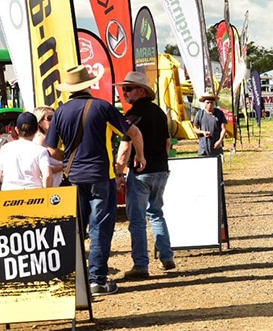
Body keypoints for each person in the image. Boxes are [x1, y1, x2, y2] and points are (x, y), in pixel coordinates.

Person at [45, 65, 146, 296]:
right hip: (101, 176)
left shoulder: (60, 112)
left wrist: (69, 159)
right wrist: (139, 156)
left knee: (75, 229)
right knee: (100, 228)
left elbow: (51, 150)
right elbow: (134, 133)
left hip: (73, 178)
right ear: (89, 84)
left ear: (69, 88)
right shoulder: (103, 107)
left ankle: (74, 282)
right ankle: (97, 280)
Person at [113, 71, 175, 279]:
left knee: (137, 220)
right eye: (123, 89)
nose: (125, 92)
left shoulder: (131, 116)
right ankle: (166, 255)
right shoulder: (159, 112)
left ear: (141, 91)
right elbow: (167, 143)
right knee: (156, 212)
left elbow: (124, 148)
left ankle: (141, 264)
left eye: (128, 89)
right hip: (161, 169)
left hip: (140, 172)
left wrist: (119, 172)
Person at [0, 112, 53, 191]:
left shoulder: (5, 149)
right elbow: (47, 176)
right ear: (37, 129)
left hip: (8, 196)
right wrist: (45, 193)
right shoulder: (41, 151)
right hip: (34, 196)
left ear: (16, 129)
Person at [33, 105, 64, 187]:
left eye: (55, 118)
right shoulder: (40, 140)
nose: (54, 121)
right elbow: (39, 169)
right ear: (40, 122)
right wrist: (64, 166)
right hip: (48, 188)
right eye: (50, 118)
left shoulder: (50, 138)